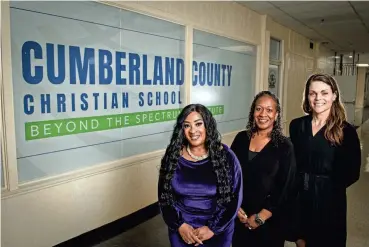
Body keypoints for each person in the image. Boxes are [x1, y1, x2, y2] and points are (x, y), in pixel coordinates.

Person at [289, 73, 361, 247]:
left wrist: (325, 186)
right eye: (313, 93)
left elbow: (352, 173)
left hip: (329, 202)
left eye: (324, 93)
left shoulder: (345, 131)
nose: (318, 98)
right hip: (301, 199)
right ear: (307, 96)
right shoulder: (297, 126)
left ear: (334, 95)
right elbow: (292, 164)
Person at [158, 104, 243, 247]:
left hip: (217, 231)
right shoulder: (172, 156)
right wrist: (180, 226)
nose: (193, 131)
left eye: (198, 124)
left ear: (207, 126)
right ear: (181, 129)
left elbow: (234, 199)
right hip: (182, 231)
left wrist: (212, 228)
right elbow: (164, 197)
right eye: (187, 126)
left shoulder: (226, 156)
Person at [231, 91, 296, 247]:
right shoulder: (241, 139)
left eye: (269, 110)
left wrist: (261, 217)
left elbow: (285, 188)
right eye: (258, 109)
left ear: (276, 114)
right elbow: (229, 175)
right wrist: (235, 206)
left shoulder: (284, 147)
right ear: (253, 112)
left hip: (269, 223)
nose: (263, 114)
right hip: (238, 217)